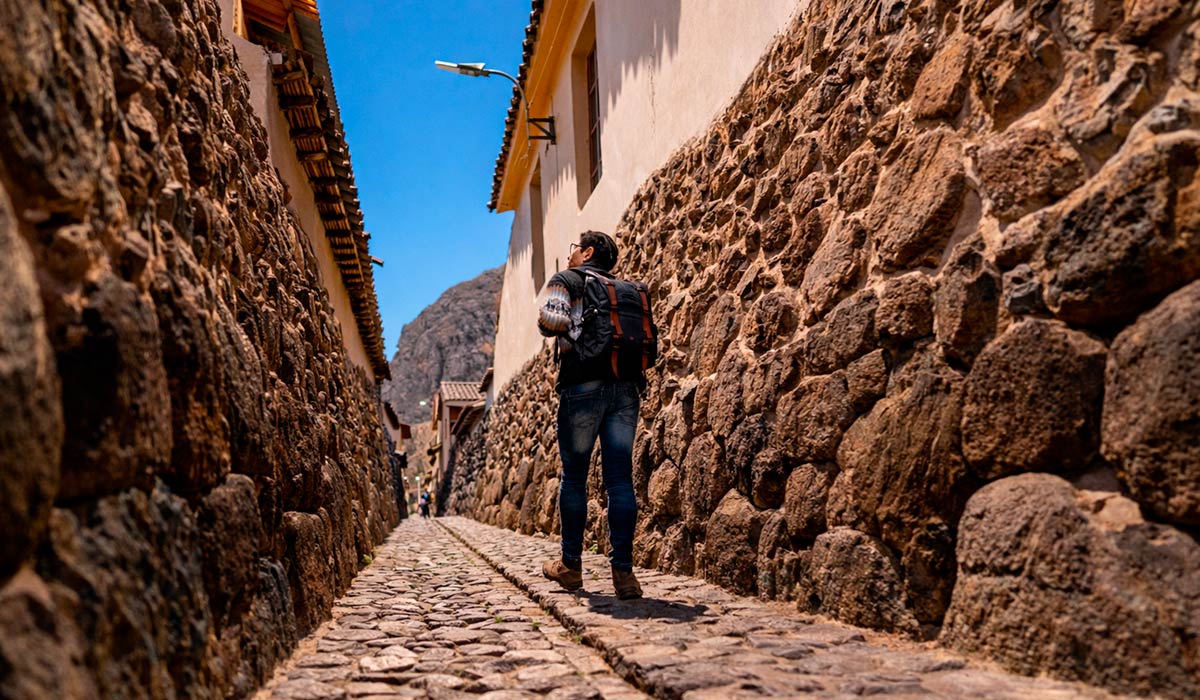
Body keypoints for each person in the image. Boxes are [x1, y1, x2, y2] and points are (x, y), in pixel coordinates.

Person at [536, 230, 647, 599]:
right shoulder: (628, 291)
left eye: (573, 249)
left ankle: (570, 566)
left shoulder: (567, 280)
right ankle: (625, 575)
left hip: (582, 386)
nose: (570, 256)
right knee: (620, 481)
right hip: (626, 389)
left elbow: (552, 322)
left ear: (586, 253)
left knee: (574, 479)